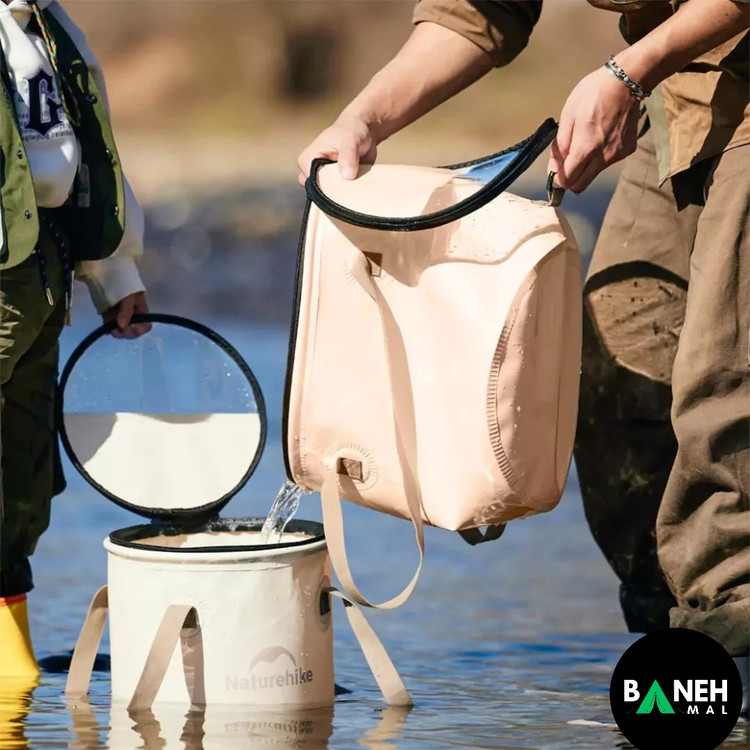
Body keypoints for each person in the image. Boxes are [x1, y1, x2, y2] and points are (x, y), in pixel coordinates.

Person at [298, 0, 750, 683]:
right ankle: (672, 632)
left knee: (721, 375)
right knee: (616, 370)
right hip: (682, 96)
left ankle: (733, 635)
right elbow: (479, 11)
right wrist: (362, 119)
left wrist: (627, 74)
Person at [0, 0, 150, 678]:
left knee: (21, 481)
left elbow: (90, 145)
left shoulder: (49, 24)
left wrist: (116, 273)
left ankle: (13, 670)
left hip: (44, 265)